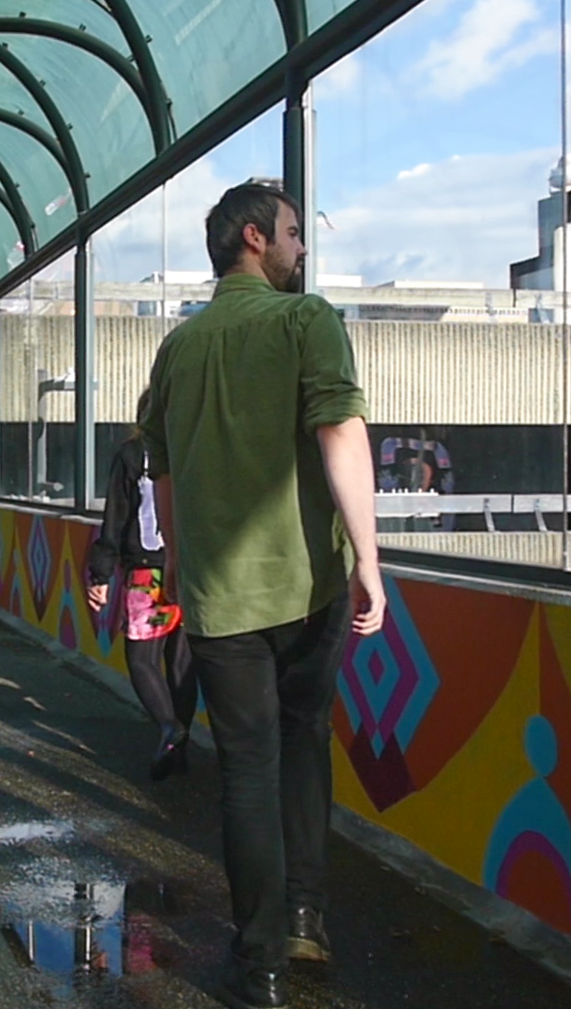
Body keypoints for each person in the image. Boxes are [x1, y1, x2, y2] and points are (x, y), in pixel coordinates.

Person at [139, 181, 385, 1009]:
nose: (301, 247)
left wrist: (178, 561)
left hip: (218, 597)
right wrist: (368, 558)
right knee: (305, 741)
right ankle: (307, 920)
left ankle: (262, 970)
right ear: (255, 238)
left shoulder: (178, 348)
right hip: (307, 584)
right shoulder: (305, 320)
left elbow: (163, 470)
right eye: (292, 232)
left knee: (246, 771)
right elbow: (340, 430)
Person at [86, 388, 198, 781]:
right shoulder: (195, 450)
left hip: (148, 573)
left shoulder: (133, 454)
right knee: (181, 664)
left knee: (141, 660)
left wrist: (100, 573)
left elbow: (115, 518)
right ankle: (180, 753)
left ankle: (169, 728)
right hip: (192, 571)